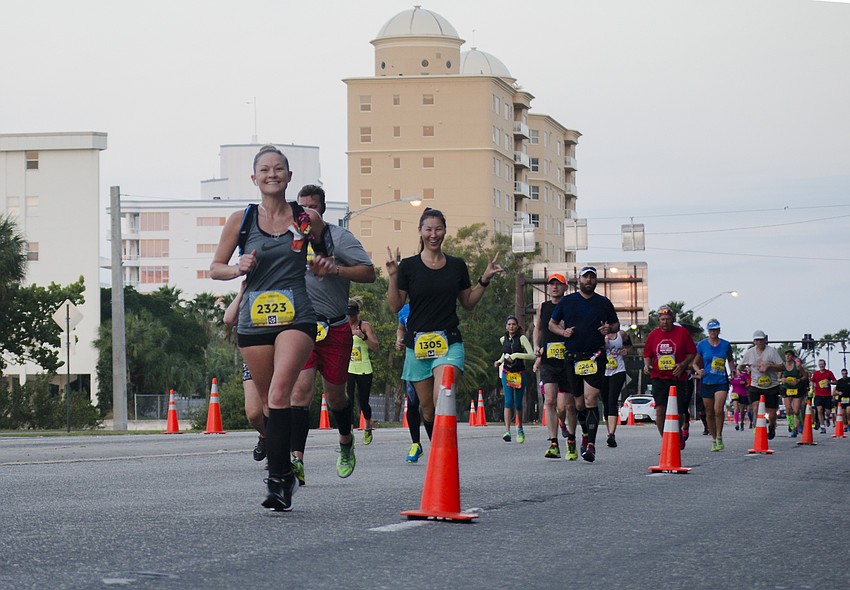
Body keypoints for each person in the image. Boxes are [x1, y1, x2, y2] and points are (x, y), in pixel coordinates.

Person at [210, 145, 329, 512]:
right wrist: (237, 267)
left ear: (289, 177)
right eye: (265, 170)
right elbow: (216, 267)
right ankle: (286, 474)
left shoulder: (305, 218)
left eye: (279, 169)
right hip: (254, 319)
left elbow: (325, 252)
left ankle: (277, 482)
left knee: (280, 394)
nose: (272, 174)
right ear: (254, 178)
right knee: (265, 405)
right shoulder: (242, 220)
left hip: (297, 316)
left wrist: (324, 263)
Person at [386, 208, 502, 450]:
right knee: (427, 409)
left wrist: (485, 279)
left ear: (445, 231)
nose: (433, 234)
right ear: (420, 231)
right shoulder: (408, 266)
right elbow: (396, 305)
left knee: (443, 397)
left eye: (438, 229)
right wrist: (393, 276)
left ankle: (444, 453)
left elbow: (468, 303)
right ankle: (439, 454)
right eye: (428, 229)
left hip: (449, 342)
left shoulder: (457, 266)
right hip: (417, 345)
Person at [288, 185, 376, 485]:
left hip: (336, 326)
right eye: (302, 207)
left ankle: (345, 440)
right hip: (302, 326)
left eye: (313, 207)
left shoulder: (340, 238)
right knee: (300, 392)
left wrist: (336, 269)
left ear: (323, 209)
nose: (307, 212)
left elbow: (369, 273)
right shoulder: (290, 239)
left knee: (336, 397)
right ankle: (295, 459)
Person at [548, 265, 620, 463]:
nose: (589, 280)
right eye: (585, 277)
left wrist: (609, 328)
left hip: (595, 355)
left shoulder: (603, 303)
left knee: (591, 399)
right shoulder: (567, 302)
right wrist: (563, 333)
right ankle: (585, 434)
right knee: (578, 403)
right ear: (579, 280)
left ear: (595, 281)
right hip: (572, 357)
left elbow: (616, 324)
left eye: (592, 277)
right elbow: (551, 324)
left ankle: (591, 445)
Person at [643, 305, 696, 448]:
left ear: (672, 319)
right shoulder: (653, 335)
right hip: (659, 377)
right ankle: (667, 440)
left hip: (678, 378)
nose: (665, 322)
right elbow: (648, 354)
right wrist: (647, 365)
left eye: (667, 319)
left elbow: (692, 352)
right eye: (662, 320)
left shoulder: (682, 333)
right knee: (660, 410)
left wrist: (683, 365)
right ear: (658, 320)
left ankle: (677, 433)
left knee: (678, 413)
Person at [532, 273, 571, 459]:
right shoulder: (543, 307)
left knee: (567, 406)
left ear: (566, 287)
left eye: (559, 284)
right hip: (548, 359)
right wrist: (536, 348)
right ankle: (553, 442)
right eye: (551, 284)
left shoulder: (571, 305)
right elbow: (538, 328)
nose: (554, 287)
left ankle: (571, 438)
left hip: (568, 359)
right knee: (550, 401)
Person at [692, 319, 735, 451]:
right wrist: (698, 371)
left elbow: (730, 360)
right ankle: (714, 438)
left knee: (718, 409)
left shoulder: (726, 345)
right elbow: (695, 363)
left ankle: (720, 436)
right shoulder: (702, 345)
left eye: (715, 330)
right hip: (707, 381)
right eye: (711, 330)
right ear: (708, 331)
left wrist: (732, 371)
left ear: (719, 330)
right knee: (709, 412)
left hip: (721, 381)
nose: (713, 332)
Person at [494, 316, 535, 443]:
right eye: (509, 324)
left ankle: (520, 428)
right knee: (508, 401)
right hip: (507, 373)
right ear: (506, 326)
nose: (511, 327)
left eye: (513, 324)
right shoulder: (503, 339)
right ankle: (507, 430)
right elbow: (504, 353)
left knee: (517, 403)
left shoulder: (522, 338)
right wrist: (499, 361)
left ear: (517, 326)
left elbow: (532, 355)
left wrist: (516, 355)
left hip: (519, 374)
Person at [738, 330, 784, 440]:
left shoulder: (771, 352)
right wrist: (740, 370)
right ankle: (757, 426)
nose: (759, 342)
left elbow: (782, 367)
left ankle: (772, 426)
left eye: (761, 340)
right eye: (757, 340)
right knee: (756, 406)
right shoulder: (750, 353)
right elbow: (741, 366)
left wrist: (769, 366)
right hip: (755, 385)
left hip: (771, 386)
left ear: (765, 340)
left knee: (771, 413)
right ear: (754, 341)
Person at [347, 298, 380, 444]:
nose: (350, 318)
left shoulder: (364, 326)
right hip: (348, 368)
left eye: (352, 315)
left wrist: (363, 337)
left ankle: (367, 425)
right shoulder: (343, 325)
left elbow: (376, 347)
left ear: (357, 313)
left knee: (363, 401)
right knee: (347, 401)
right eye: (348, 314)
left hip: (364, 369)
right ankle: (348, 431)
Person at [396, 303, 424, 462]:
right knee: (413, 403)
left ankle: (438, 446)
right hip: (413, 361)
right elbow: (401, 328)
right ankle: (415, 444)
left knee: (431, 406)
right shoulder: (404, 309)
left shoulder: (433, 304)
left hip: (433, 360)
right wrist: (399, 340)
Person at [602, 326, 633, 448]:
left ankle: (611, 434)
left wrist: (626, 351)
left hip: (618, 371)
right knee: (605, 402)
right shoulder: (598, 335)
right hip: (603, 372)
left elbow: (629, 346)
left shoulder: (621, 334)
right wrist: (601, 342)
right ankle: (608, 431)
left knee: (612, 401)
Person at [780, 349, 806, 438]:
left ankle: (799, 424)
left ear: (793, 357)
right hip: (786, 389)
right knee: (788, 409)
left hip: (796, 389)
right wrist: (782, 380)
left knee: (796, 410)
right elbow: (778, 378)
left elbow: (805, 375)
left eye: (789, 355)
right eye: (786, 355)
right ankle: (792, 428)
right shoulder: (782, 366)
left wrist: (798, 380)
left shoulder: (797, 365)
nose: (787, 357)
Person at [811, 359, 837, 434]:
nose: (821, 365)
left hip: (827, 395)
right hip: (818, 395)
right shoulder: (816, 373)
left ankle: (827, 418)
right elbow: (812, 381)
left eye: (822, 364)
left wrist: (829, 382)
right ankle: (822, 426)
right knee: (819, 410)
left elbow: (835, 381)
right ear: (819, 365)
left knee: (828, 412)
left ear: (825, 365)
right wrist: (813, 387)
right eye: (820, 364)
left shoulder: (829, 373)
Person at [730, 366, 750, 430]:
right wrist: (731, 378)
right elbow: (730, 382)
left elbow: (748, 381)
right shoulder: (733, 375)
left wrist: (744, 382)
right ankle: (736, 423)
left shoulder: (743, 375)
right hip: (734, 393)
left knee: (742, 410)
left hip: (743, 393)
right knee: (736, 408)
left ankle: (741, 422)